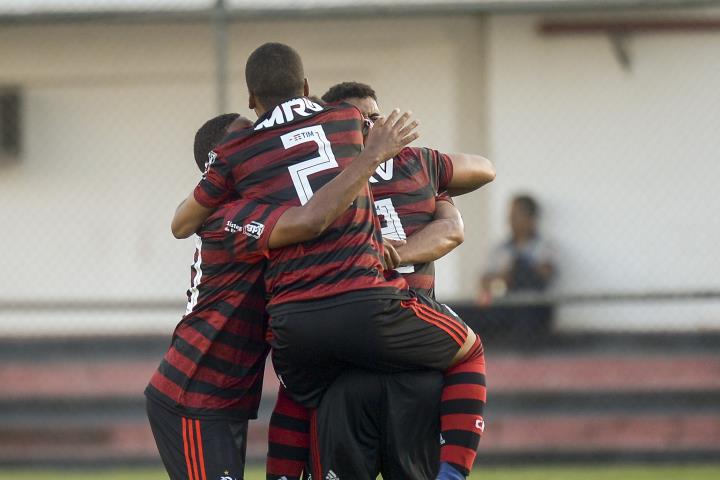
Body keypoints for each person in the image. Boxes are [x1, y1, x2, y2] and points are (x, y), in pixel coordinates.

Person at [171, 42, 487, 480]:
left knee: (298, 393)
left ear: (250, 100)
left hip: (292, 327)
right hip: (373, 307)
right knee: (469, 350)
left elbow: (182, 222)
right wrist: (432, 192)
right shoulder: (358, 133)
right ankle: (453, 473)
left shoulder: (237, 168)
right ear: (307, 88)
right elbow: (476, 180)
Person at [145, 108, 418, 480]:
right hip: (193, 394)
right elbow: (309, 220)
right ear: (219, 164)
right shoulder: (230, 217)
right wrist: (369, 157)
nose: (260, 142)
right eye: (248, 138)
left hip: (226, 396)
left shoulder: (257, 203)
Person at [280, 82, 495, 480]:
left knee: (297, 367)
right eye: (363, 119)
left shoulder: (416, 163)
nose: (375, 125)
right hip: (356, 348)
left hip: (407, 345)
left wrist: (398, 251)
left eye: (377, 117)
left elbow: (472, 191)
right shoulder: (320, 179)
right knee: (296, 372)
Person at [480, 194, 555, 300]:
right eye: (510, 216)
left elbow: (546, 273)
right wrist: (505, 277)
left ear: (530, 218)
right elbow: (485, 280)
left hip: (535, 304)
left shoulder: (544, 246)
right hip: (505, 303)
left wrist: (521, 270)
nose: (510, 221)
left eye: (515, 216)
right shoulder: (500, 248)